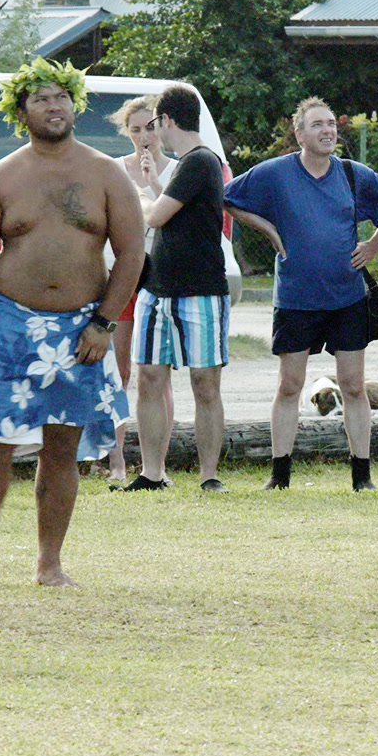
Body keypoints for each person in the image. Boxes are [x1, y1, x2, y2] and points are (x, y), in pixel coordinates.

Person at [0, 58, 141, 587]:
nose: (53, 107)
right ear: (21, 112)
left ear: (74, 103)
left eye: (61, 97)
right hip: (10, 325)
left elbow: (131, 254)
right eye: (40, 100)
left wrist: (103, 324)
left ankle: (49, 564)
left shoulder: (106, 173)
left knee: (63, 446)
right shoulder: (2, 177)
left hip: (81, 330)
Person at [223, 98, 378, 492]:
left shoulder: (352, 174)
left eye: (331, 125)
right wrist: (268, 230)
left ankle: (362, 476)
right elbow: (229, 198)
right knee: (290, 385)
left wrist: (375, 244)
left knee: (353, 386)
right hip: (295, 298)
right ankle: (279, 475)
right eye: (317, 125)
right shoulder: (275, 173)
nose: (327, 131)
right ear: (300, 133)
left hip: (347, 296)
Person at [121, 84, 230, 492]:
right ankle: (151, 473)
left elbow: (156, 217)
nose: (153, 135)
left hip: (200, 290)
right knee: (149, 377)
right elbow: (170, 209)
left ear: (167, 120)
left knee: (205, 382)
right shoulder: (188, 165)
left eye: (155, 125)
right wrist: (151, 185)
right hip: (157, 288)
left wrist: (137, 195)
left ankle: (209, 476)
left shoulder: (201, 161)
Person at [102, 95, 176, 484]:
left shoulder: (181, 170)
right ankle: (116, 460)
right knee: (120, 369)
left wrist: (154, 182)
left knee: (158, 374)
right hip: (121, 277)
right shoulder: (114, 170)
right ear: (126, 133)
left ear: (163, 127)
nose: (144, 136)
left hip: (162, 280)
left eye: (150, 127)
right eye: (135, 130)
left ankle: (157, 464)